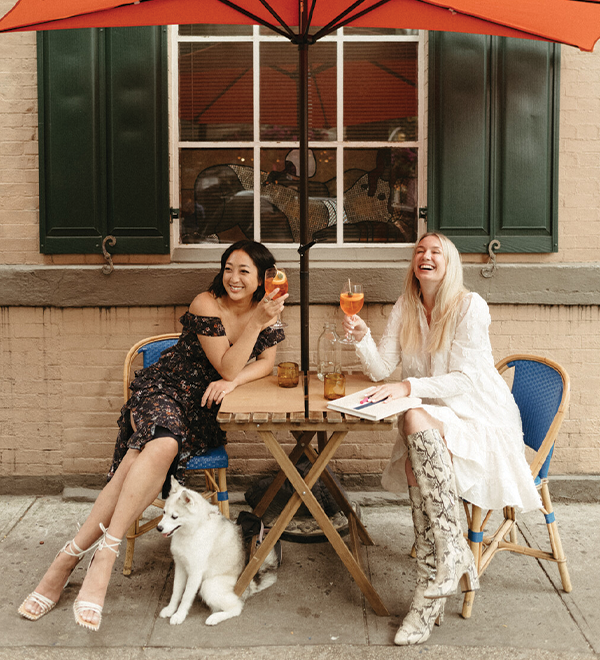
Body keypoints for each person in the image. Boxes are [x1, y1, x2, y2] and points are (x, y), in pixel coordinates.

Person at [18, 240, 288, 631]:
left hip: (199, 412)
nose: (233, 278)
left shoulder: (268, 311)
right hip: (164, 391)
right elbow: (227, 366)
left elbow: (264, 365)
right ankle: (106, 556)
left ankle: (68, 557)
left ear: (263, 278)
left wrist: (233, 382)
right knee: (163, 442)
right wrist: (253, 332)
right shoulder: (206, 304)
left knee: (137, 457)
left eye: (244, 271)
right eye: (228, 268)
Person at [342, 232, 541, 646]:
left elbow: (465, 381)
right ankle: (441, 571)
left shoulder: (470, 307)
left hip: (479, 415)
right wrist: (361, 335)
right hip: (434, 419)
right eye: (420, 250)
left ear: (449, 264)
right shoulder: (406, 306)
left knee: (412, 417)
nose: (425, 256)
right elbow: (380, 370)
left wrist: (407, 387)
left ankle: (435, 580)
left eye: (435, 251)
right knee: (412, 435)